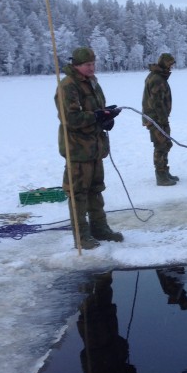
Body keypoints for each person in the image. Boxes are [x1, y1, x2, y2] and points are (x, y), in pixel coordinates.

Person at [55, 46, 123, 250]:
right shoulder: (68, 86)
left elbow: (96, 110)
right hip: (78, 150)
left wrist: (106, 117)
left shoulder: (93, 83)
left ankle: (99, 228)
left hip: (95, 147)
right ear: (76, 65)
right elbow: (71, 118)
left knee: (96, 190)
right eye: (87, 65)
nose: (92, 67)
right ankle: (81, 236)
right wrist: (96, 117)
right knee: (78, 194)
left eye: (93, 64)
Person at [142, 53, 178, 186]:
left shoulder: (158, 77)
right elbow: (156, 103)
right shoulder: (156, 79)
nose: (171, 67)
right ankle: (161, 175)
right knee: (160, 146)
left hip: (159, 118)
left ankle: (164, 170)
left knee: (166, 144)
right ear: (164, 64)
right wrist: (162, 120)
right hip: (156, 120)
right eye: (169, 64)